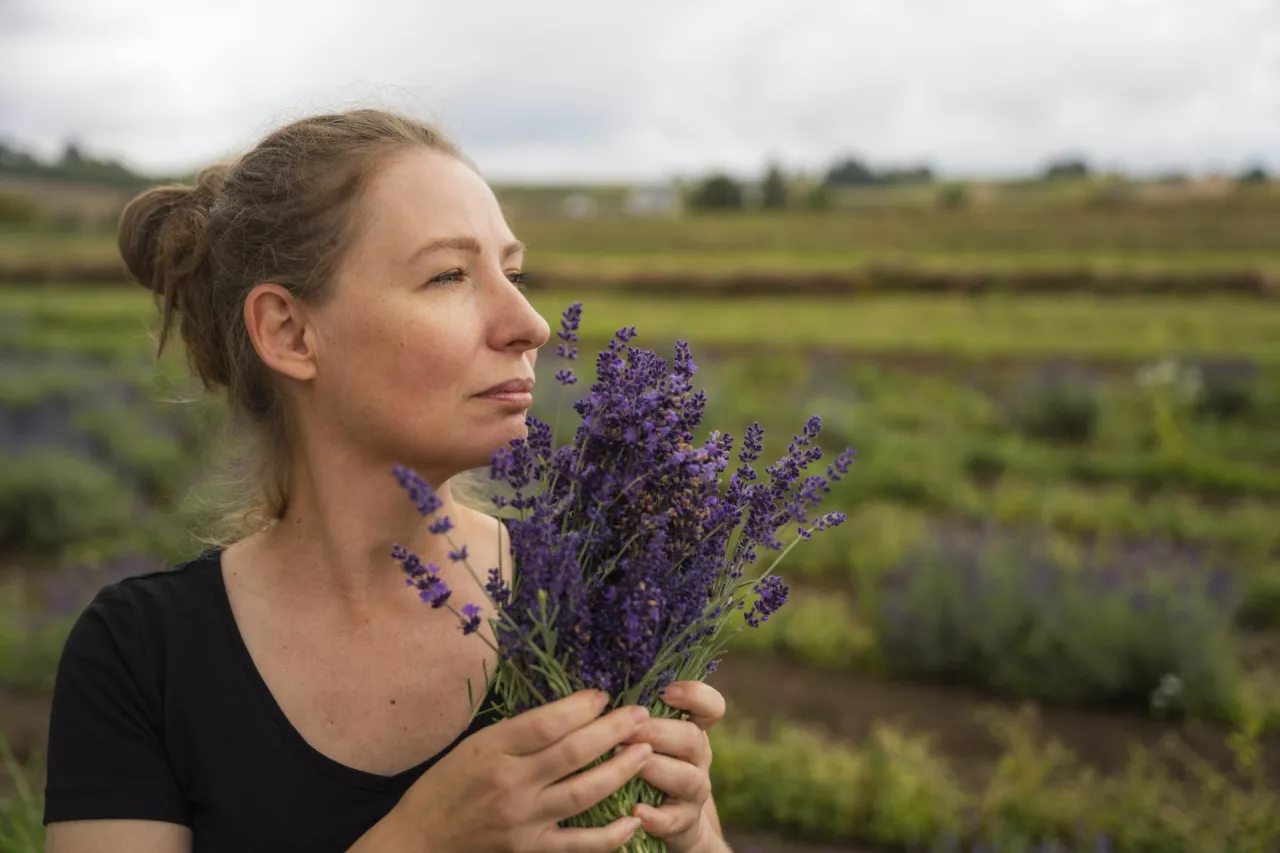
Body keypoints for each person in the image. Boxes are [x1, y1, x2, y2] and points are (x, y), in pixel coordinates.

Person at [43, 108, 731, 853]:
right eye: (448, 275)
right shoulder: (141, 654)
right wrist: (425, 837)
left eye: (513, 273)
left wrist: (694, 839)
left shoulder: (595, 599)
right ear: (289, 332)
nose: (531, 324)